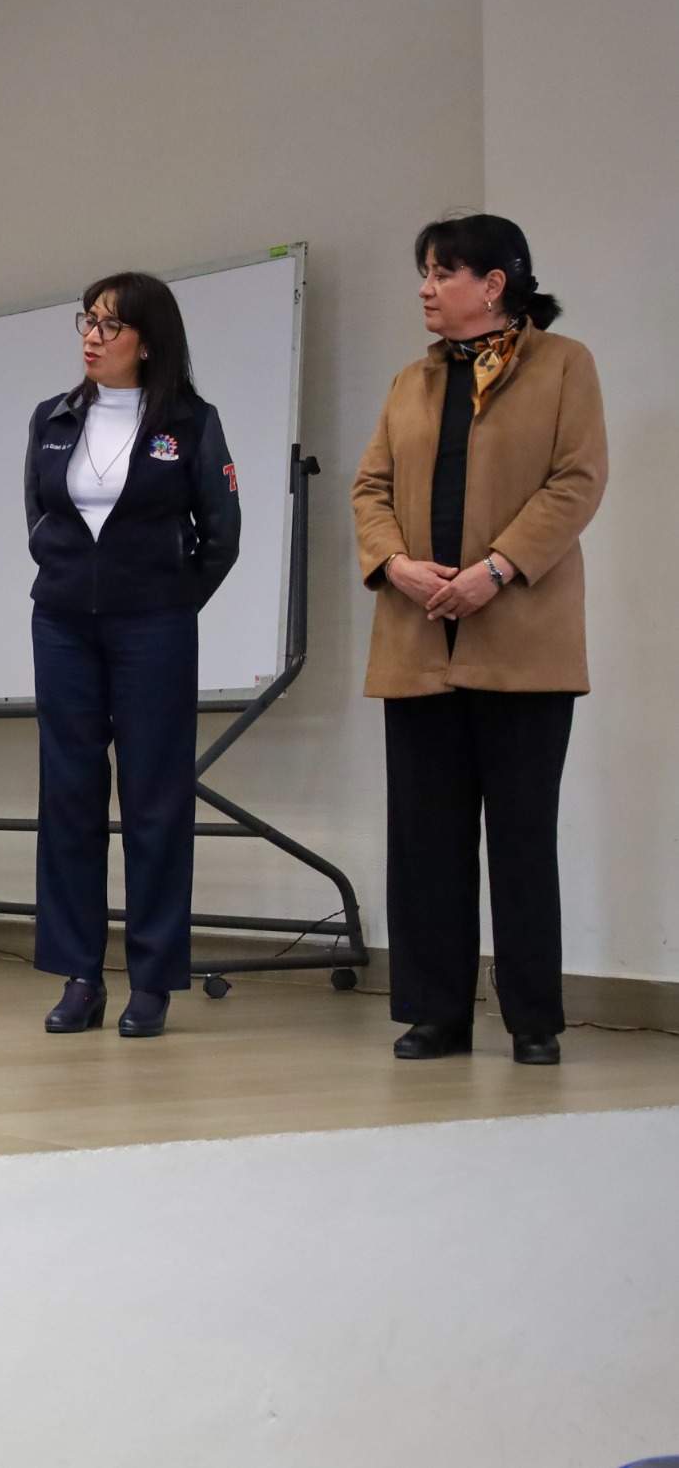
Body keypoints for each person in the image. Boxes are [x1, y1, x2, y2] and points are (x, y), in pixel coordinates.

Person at [352, 214, 606, 1065]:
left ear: (495, 284)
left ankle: (533, 1020)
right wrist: (395, 565)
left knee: (523, 839)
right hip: (418, 640)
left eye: (442, 272)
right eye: (424, 273)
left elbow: (576, 481)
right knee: (426, 841)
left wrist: (496, 570)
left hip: (523, 641)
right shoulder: (411, 380)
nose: (425, 289)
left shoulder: (564, 365)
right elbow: (369, 488)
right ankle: (437, 1014)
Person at [23, 272, 239, 1039]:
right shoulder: (52, 417)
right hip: (63, 627)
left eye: (110, 325)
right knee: (70, 796)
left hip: (154, 628)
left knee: (154, 799)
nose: (92, 335)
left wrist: (168, 603)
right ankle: (80, 975)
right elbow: (40, 519)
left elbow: (221, 536)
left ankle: (151, 980)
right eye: (87, 320)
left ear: (147, 341)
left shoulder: (190, 421)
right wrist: (72, 585)